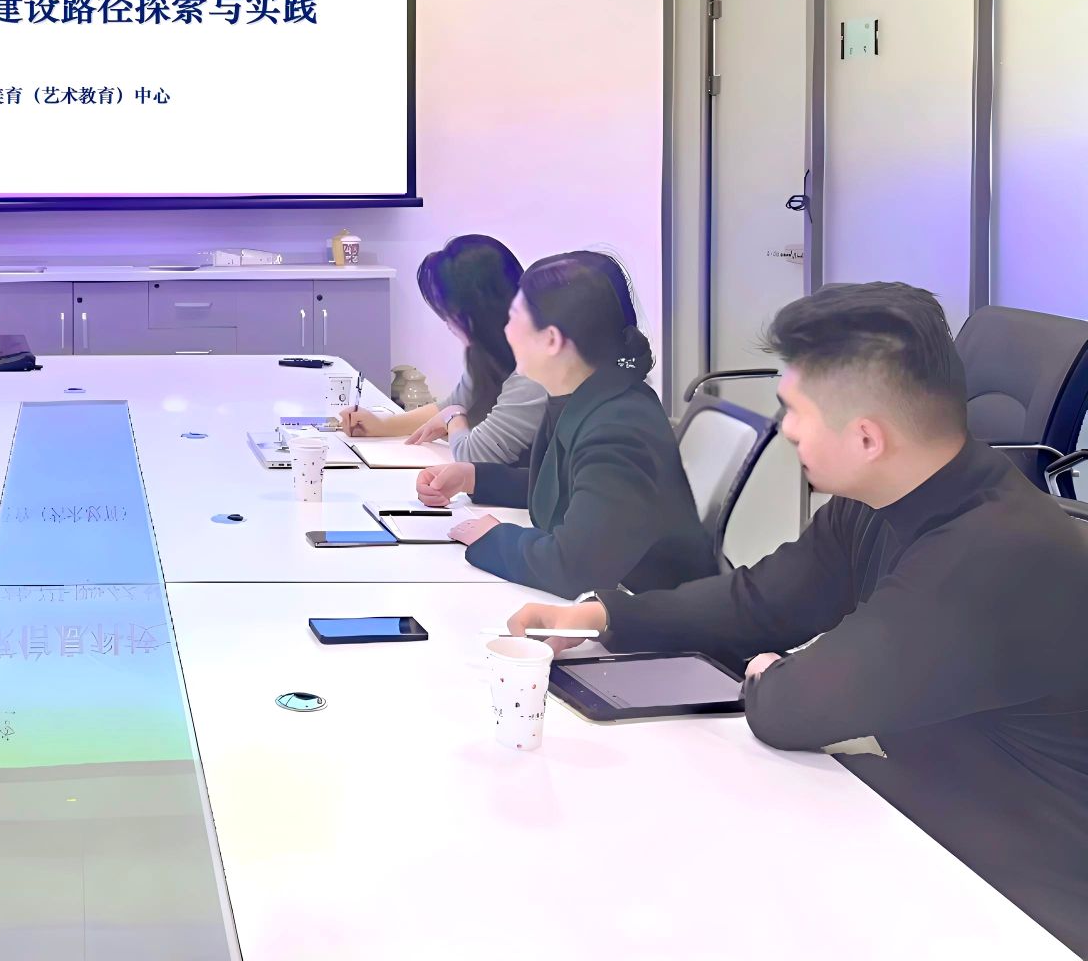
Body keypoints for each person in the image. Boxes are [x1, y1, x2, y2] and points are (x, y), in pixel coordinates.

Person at [509, 282, 1088, 953]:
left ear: (866, 437)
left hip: (1017, 896)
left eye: (795, 411)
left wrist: (776, 676)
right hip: (922, 821)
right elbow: (760, 602)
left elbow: (794, 709)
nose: (784, 430)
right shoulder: (882, 497)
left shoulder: (995, 554)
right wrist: (607, 616)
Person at [416, 249, 715, 597]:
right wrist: (474, 477)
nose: (505, 330)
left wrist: (495, 539)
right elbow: (571, 488)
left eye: (513, 317)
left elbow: (573, 568)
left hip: (642, 610)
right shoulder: (585, 395)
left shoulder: (618, 428)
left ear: (551, 339)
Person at [334, 234, 547, 464]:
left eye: (450, 314)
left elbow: (475, 454)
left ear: (478, 313)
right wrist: (381, 425)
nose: (448, 324)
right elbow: (454, 404)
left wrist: (453, 419)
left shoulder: (535, 371)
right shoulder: (486, 355)